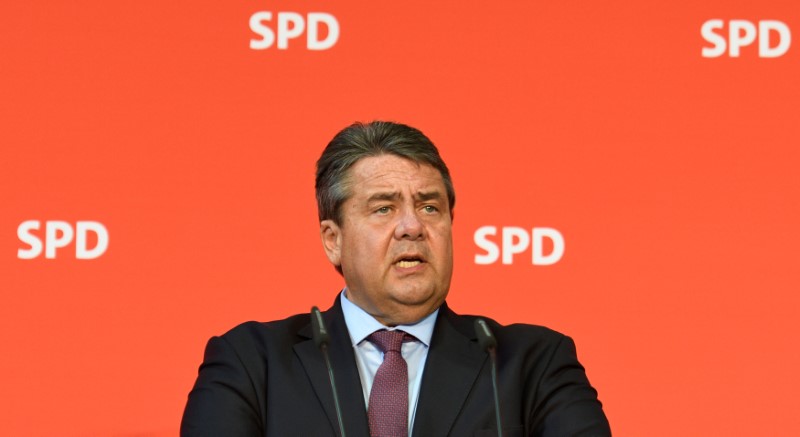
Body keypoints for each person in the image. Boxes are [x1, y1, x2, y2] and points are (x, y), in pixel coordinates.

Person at [181, 121, 611, 436]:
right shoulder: (253, 363)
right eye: (384, 208)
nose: (412, 226)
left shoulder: (530, 364)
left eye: (429, 207)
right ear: (333, 240)